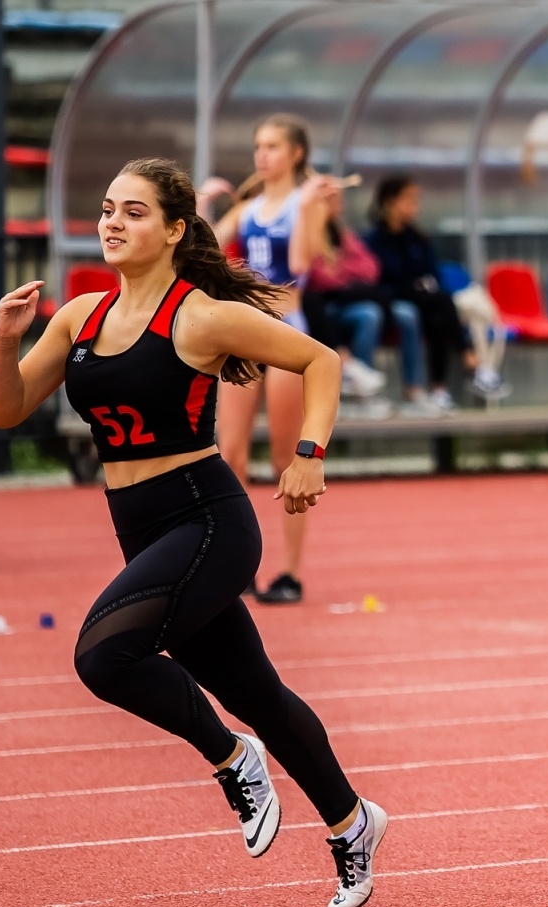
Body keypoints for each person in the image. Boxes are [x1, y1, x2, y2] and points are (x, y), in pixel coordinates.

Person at [0, 157, 387, 907]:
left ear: (173, 229)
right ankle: (353, 822)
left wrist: (309, 452)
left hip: (207, 521)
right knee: (257, 692)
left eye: (133, 212)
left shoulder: (198, 314)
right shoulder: (79, 317)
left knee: (103, 656)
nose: (112, 222)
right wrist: (6, 342)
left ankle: (233, 757)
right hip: (141, 532)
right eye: (107, 208)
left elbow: (319, 359)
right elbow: (6, 412)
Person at [202, 115, 374, 603]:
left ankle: (291, 571)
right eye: (258, 146)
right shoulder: (251, 207)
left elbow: (299, 265)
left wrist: (312, 206)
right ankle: (237, 565)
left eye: (273, 146)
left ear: (296, 153)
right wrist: (202, 204)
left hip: (284, 333)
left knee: (286, 457)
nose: (262, 155)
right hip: (245, 331)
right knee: (229, 454)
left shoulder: (307, 201)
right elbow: (203, 250)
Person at [300, 183, 438, 418]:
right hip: (325, 307)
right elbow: (319, 278)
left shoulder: (341, 233)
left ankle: (413, 389)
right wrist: (345, 274)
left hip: (349, 298)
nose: (340, 207)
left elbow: (371, 267)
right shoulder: (307, 233)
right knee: (368, 315)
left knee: (407, 313)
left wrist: (340, 271)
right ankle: (364, 391)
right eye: (335, 201)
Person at [364, 174, 475, 410]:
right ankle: (466, 356)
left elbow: (432, 274)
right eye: (409, 199)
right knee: (432, 306)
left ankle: (436, 390)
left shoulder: (417, 238)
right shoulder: (374, 241)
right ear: (390, 202)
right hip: (391, 298)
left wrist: (420, 285)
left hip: (422, 299)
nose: (415, 206)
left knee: (437, 316)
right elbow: (378, 279)